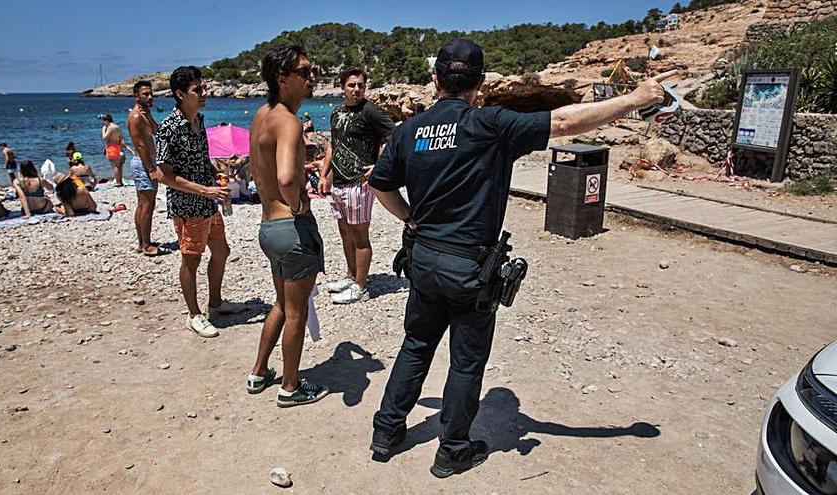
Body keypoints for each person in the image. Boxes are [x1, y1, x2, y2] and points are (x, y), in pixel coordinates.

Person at [367, 39, 675, 477]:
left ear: (435, 80)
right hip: (470, 268)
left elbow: (380, 185)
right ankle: (452, 449)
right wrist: (637, 98)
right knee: (466, 361)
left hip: (424, 259)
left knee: (416, 345)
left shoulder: (408, 131)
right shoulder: (490, 124)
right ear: (480, 84)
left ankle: (386, 431)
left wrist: (411, 219)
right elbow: (566, 121)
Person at [246, 44, 328, 408]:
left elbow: (259, 168)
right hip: (292, 228)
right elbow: (284, 176)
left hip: (268, 228)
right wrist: (298, 203)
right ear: (282, 77)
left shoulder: (261, 115)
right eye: (305, 72)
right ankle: (290, 387)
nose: (313, 78)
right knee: (295, 310)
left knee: (281, 303)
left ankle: (259, 371)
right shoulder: (290, 121)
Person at [153, 66, 246, 338]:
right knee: (191, 261)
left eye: (203, 88)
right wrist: (205, 191)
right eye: (198, 90)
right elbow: (165, 176)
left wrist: (213, 173)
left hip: (207, 200)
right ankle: (194, 315)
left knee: (221, 251)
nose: (204, 93)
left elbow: (199, 157)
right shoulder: (169, 128)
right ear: (180, 94)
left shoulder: (199, 119)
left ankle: (215, 303)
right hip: (187, 204)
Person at [319, 67, 395, 304]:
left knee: (360, 236)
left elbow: (395, 136)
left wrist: (379, 166)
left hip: (359, 184)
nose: (357, 89)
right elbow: (334, 144)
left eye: (360, 85)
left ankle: (361, 287)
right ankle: (352, 276)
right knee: (344, 232)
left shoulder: (370, 111)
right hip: (339, 183)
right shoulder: (337, 113)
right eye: (352, 85)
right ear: (342, 87)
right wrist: (324, 174)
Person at [127, 79, 166, 256]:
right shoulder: (135, 116)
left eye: (151, 94)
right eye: (146, 94)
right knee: (147, 205)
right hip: (143, 163)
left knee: (143, 204)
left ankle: (142, 241)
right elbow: (141, 145)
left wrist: (149, 117)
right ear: (136, 96)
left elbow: (156, 131)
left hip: (145, 163)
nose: (150, 97)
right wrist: (151, 169)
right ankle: (146, 245)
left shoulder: (144, 114)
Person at [102, 114, 134, 187]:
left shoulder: (110, 127)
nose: (104, 124)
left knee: (115, 166)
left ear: (106, 120)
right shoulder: (117, 127)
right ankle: (120, 181)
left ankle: (118, 182)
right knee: (119, 166)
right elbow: (120, 138)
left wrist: (103, 130)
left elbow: (105, 138)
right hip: (117, 147)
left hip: (111, 148)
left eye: (104, 121)